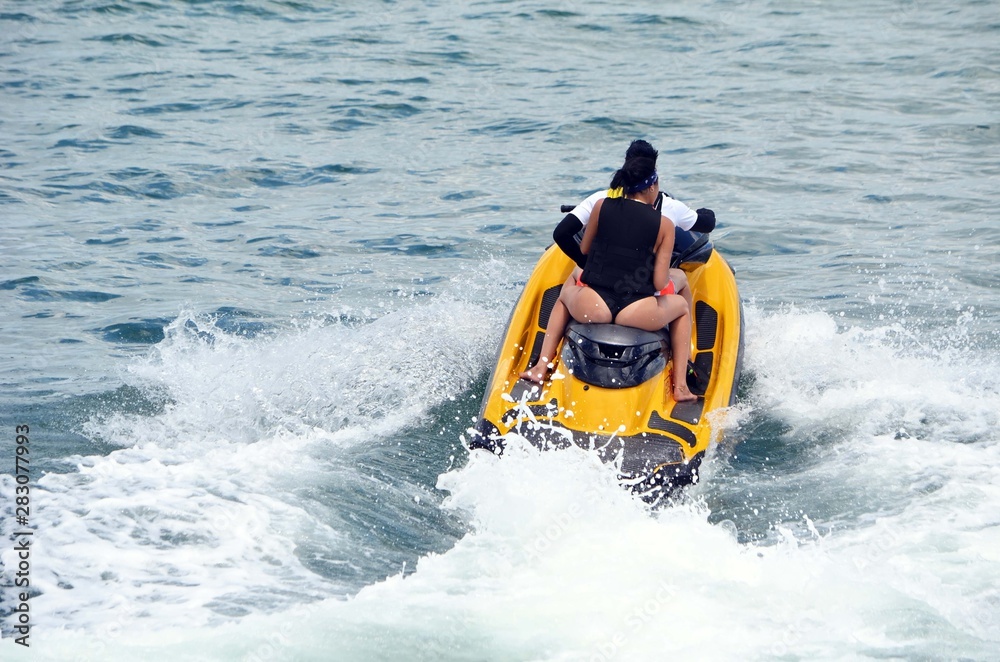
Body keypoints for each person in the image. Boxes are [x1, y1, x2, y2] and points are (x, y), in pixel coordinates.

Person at [519, 155, 697, 403]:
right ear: (651, 187)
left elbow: (585, 251)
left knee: (564, 296)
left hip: (595, 307)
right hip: (636, 312)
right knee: (681, 308)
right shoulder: (664, 224)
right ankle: (680, 386)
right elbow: (658, 283)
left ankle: (541, 367)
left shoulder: (601, 205)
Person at [554, 139, 715, 311]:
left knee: (572, 278)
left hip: (599, 287)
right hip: (639, 297)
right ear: (653, 179)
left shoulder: (600, 201)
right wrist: (707, 213)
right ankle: (685, 334)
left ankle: (552, 332)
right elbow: (706, 224)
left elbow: (563, 235)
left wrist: (587, 265)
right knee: (681, 282)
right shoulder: (668, 210)